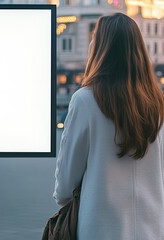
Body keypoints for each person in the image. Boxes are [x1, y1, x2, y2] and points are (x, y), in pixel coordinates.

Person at [53, 13, 164, 240]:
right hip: (153, 228)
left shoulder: (85, 100)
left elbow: (66, 182)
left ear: (100, 49)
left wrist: (63, 197)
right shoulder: (158, 103)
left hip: (101, 228)